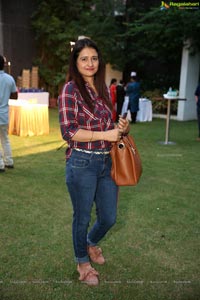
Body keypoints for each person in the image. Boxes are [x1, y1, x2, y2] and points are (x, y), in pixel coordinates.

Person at [58, 38, 129, 286]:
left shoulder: (102, 90)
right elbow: (68, 131)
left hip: (106, 162)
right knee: (82, 216)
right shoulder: (70, 90)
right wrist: (104, 135)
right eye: (84, 58)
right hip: (81, 163)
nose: (90, 63)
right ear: (75, 62)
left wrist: (120, 128)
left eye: (94, 58)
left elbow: (108, 128)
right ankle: (82, 263)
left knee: (109, 217)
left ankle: (90, 243)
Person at [0, 55, 18, 172]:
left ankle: (0, 165)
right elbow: (15, 96)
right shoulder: (9, 78)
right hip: (4, 113)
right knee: (5, 139)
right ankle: (9, 161)